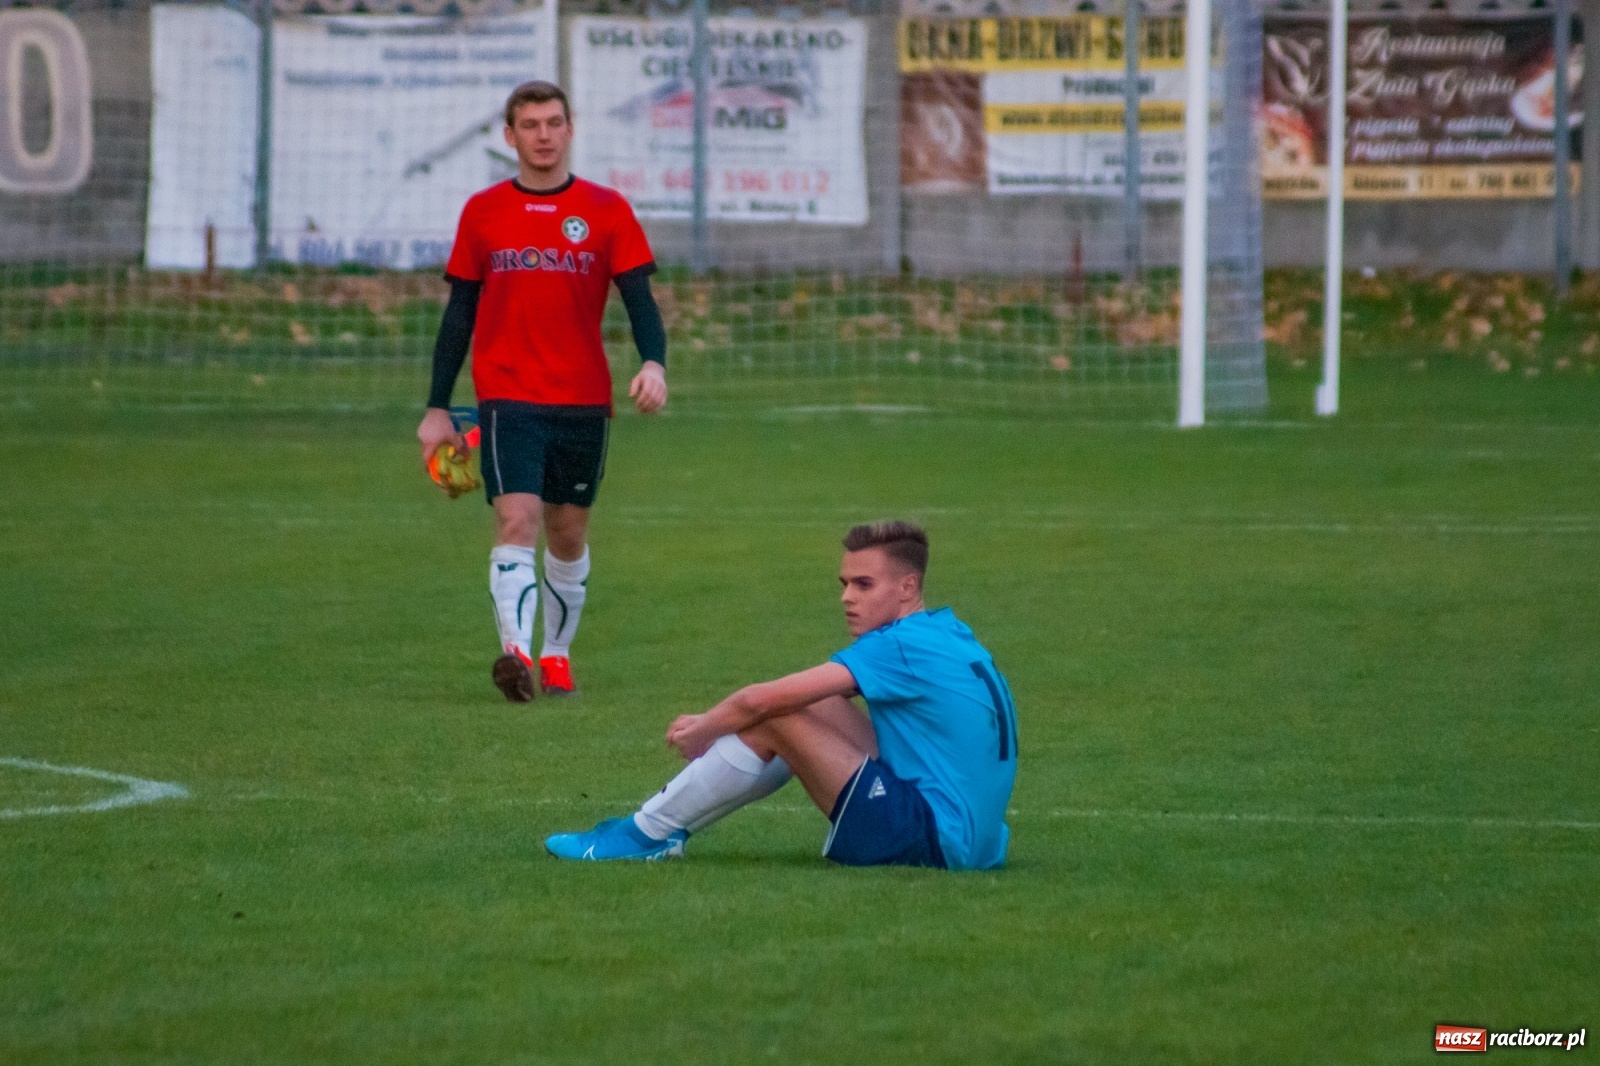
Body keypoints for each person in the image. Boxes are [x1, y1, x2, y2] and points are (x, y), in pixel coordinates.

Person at [545, 521, 1019, 870]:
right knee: (807, 704)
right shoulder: (947, 631)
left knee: (778, 717)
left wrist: (704, 728)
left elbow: (760, 702)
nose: (847, 597)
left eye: (864, 584)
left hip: (932, 841)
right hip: (978, 844)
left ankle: (645, 834)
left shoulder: (897, 646)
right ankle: (660, 830)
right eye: (845, 584)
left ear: (907, 586)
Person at [418, 80, 669, 702]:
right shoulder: (483, 211)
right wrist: (436, 408)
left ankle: (556, 654)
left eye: (554, 123)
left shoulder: (607, 209)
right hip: (508, 396)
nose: (543, 135)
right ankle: (516, 655)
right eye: (529, 125)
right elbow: (459, 313)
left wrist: (655, 364)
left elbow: (640, 299)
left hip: (583, 398)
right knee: (516, 519)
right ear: (510, 136)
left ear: (570, 129)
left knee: (568, 532)